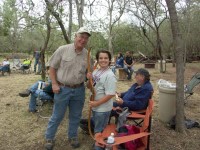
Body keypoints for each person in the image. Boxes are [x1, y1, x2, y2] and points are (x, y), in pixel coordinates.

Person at [44, 27, 91, 150]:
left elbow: (88, 71)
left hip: (79, 90)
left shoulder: (87, 54)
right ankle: (49, 137)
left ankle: (72, 136)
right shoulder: (62, 49)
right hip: (62, 88)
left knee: (76, 115)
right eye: (81, 36)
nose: (83, 39)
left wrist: (88, 75)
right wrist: (54, 84)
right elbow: (52, 68)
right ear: (75, 36)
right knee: (57, 115)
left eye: (86, 38)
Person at [85, 50, 117, 150]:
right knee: (98, 127)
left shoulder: (110, 75)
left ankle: (99, 146)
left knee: (100, 129)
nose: (103, 60)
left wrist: (96, 103)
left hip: (102, 108)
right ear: (97, 60)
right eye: (101, 58)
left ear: (109, 60)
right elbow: (90, 87)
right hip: (96, 107)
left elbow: (110, 94)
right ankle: (98, 141)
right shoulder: (96, 71)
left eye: (106, 58)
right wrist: (89, 79)